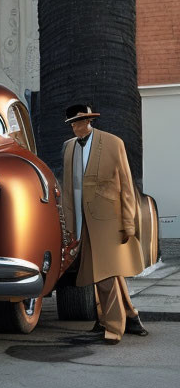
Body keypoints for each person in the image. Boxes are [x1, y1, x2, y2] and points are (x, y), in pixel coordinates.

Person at [61, 104, 148, 345]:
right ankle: (130, 318)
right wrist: (70, 226)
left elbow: (127, 185)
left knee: (106, 275)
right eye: (72, 123)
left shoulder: (112, 143)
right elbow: (69, 189)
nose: (75, 127)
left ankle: (113, 328)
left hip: (110, 220)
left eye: (79, 122)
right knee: (104, 272)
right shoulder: (69, 148)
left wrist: (128, 224)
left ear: (89, 121)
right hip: (82, 221)